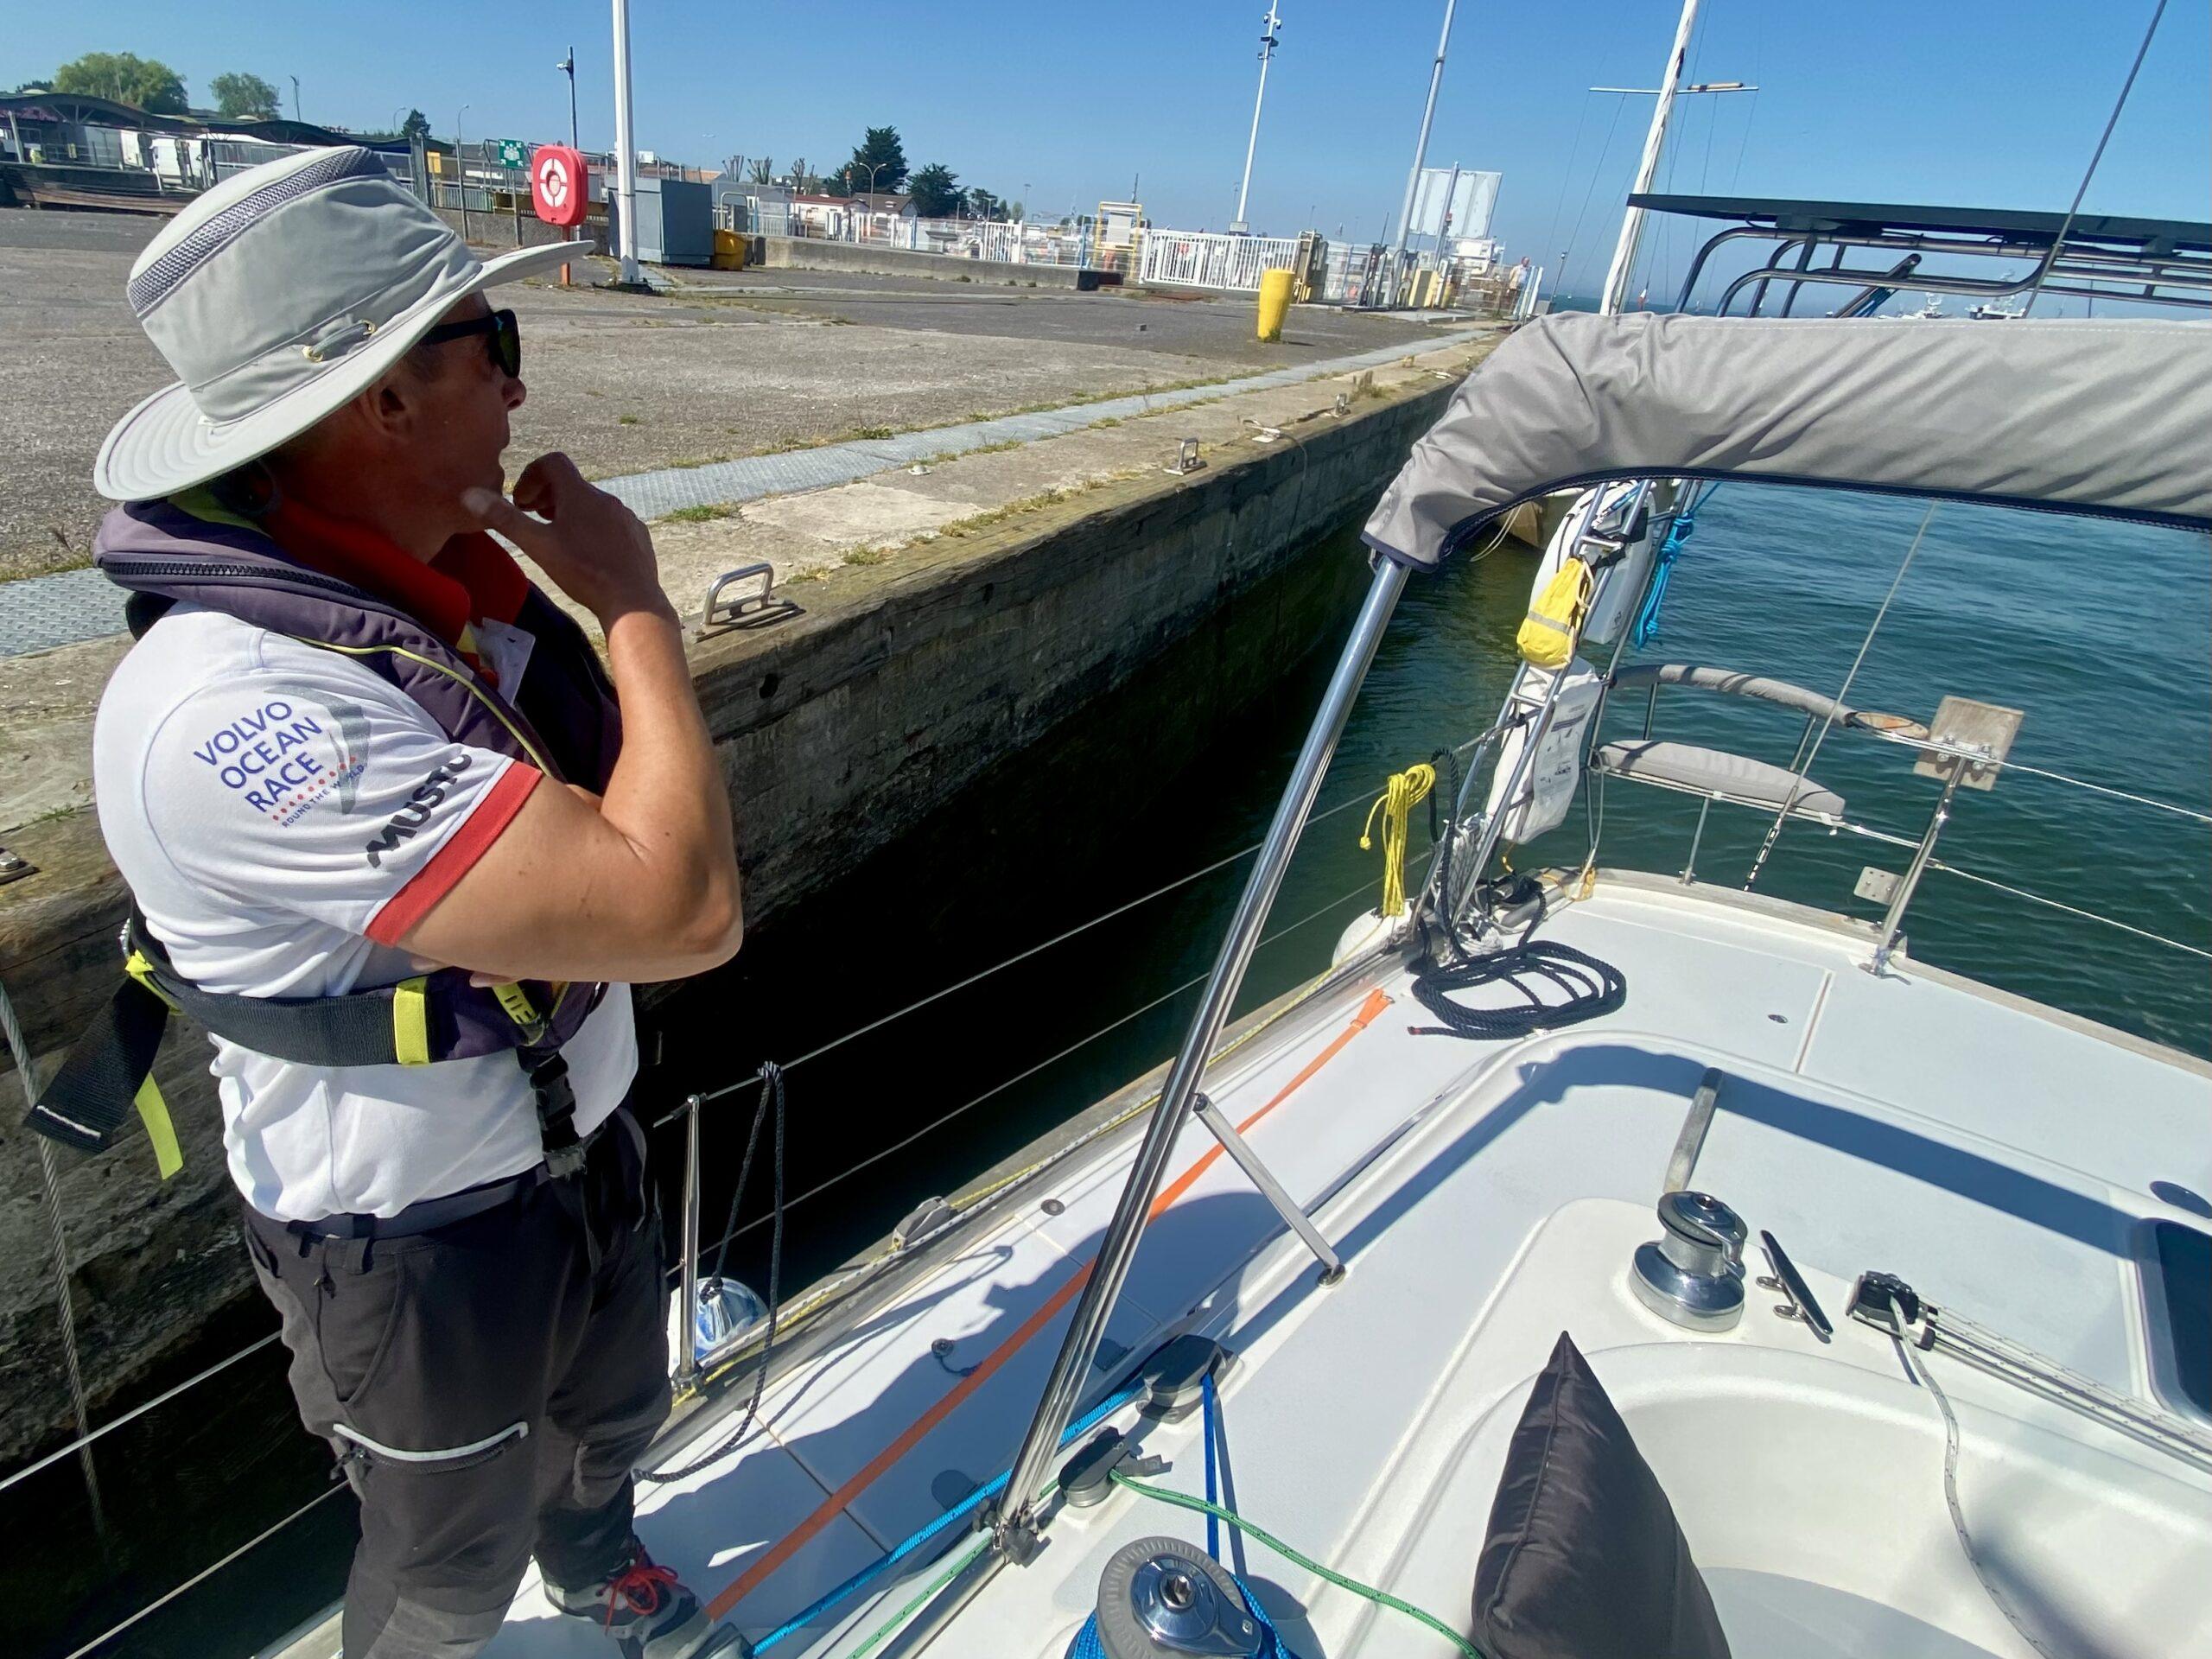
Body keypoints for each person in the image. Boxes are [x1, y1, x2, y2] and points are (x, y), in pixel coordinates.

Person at [72, 146, 746, 1657]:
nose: (519, 394)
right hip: (409, 1239)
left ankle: (598, 1563)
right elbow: (683, 908)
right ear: (382, 400)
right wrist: (631, 602)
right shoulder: (237, 710)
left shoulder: (440, 602)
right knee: (444, 1560)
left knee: (609, 1421)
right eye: (493, 350)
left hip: (591, 1155)